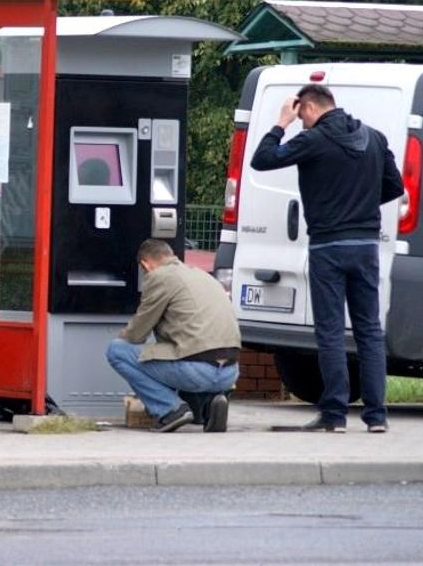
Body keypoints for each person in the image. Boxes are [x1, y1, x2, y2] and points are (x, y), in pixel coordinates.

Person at [250, 84, 403, 433]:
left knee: (331, 332)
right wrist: (360, 206)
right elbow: (394, 186)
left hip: (328, 248)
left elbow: (262, 159)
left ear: (308, 108)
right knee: (369, 331)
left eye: (300, 114)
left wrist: (280, 123)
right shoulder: (374, 138)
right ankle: (376, 416)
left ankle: (334, 415)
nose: (300, 121)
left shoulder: (313, 139)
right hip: (365, 246)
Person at [105, 239, 241, 433]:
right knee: (186, 350)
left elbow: (136, 334)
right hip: (230, 372)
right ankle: (210, 404)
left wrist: (123, 336)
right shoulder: (204, 276)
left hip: (197, 372)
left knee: (117, 351)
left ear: (145, 264)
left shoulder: (160, 277)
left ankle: (170, 409)